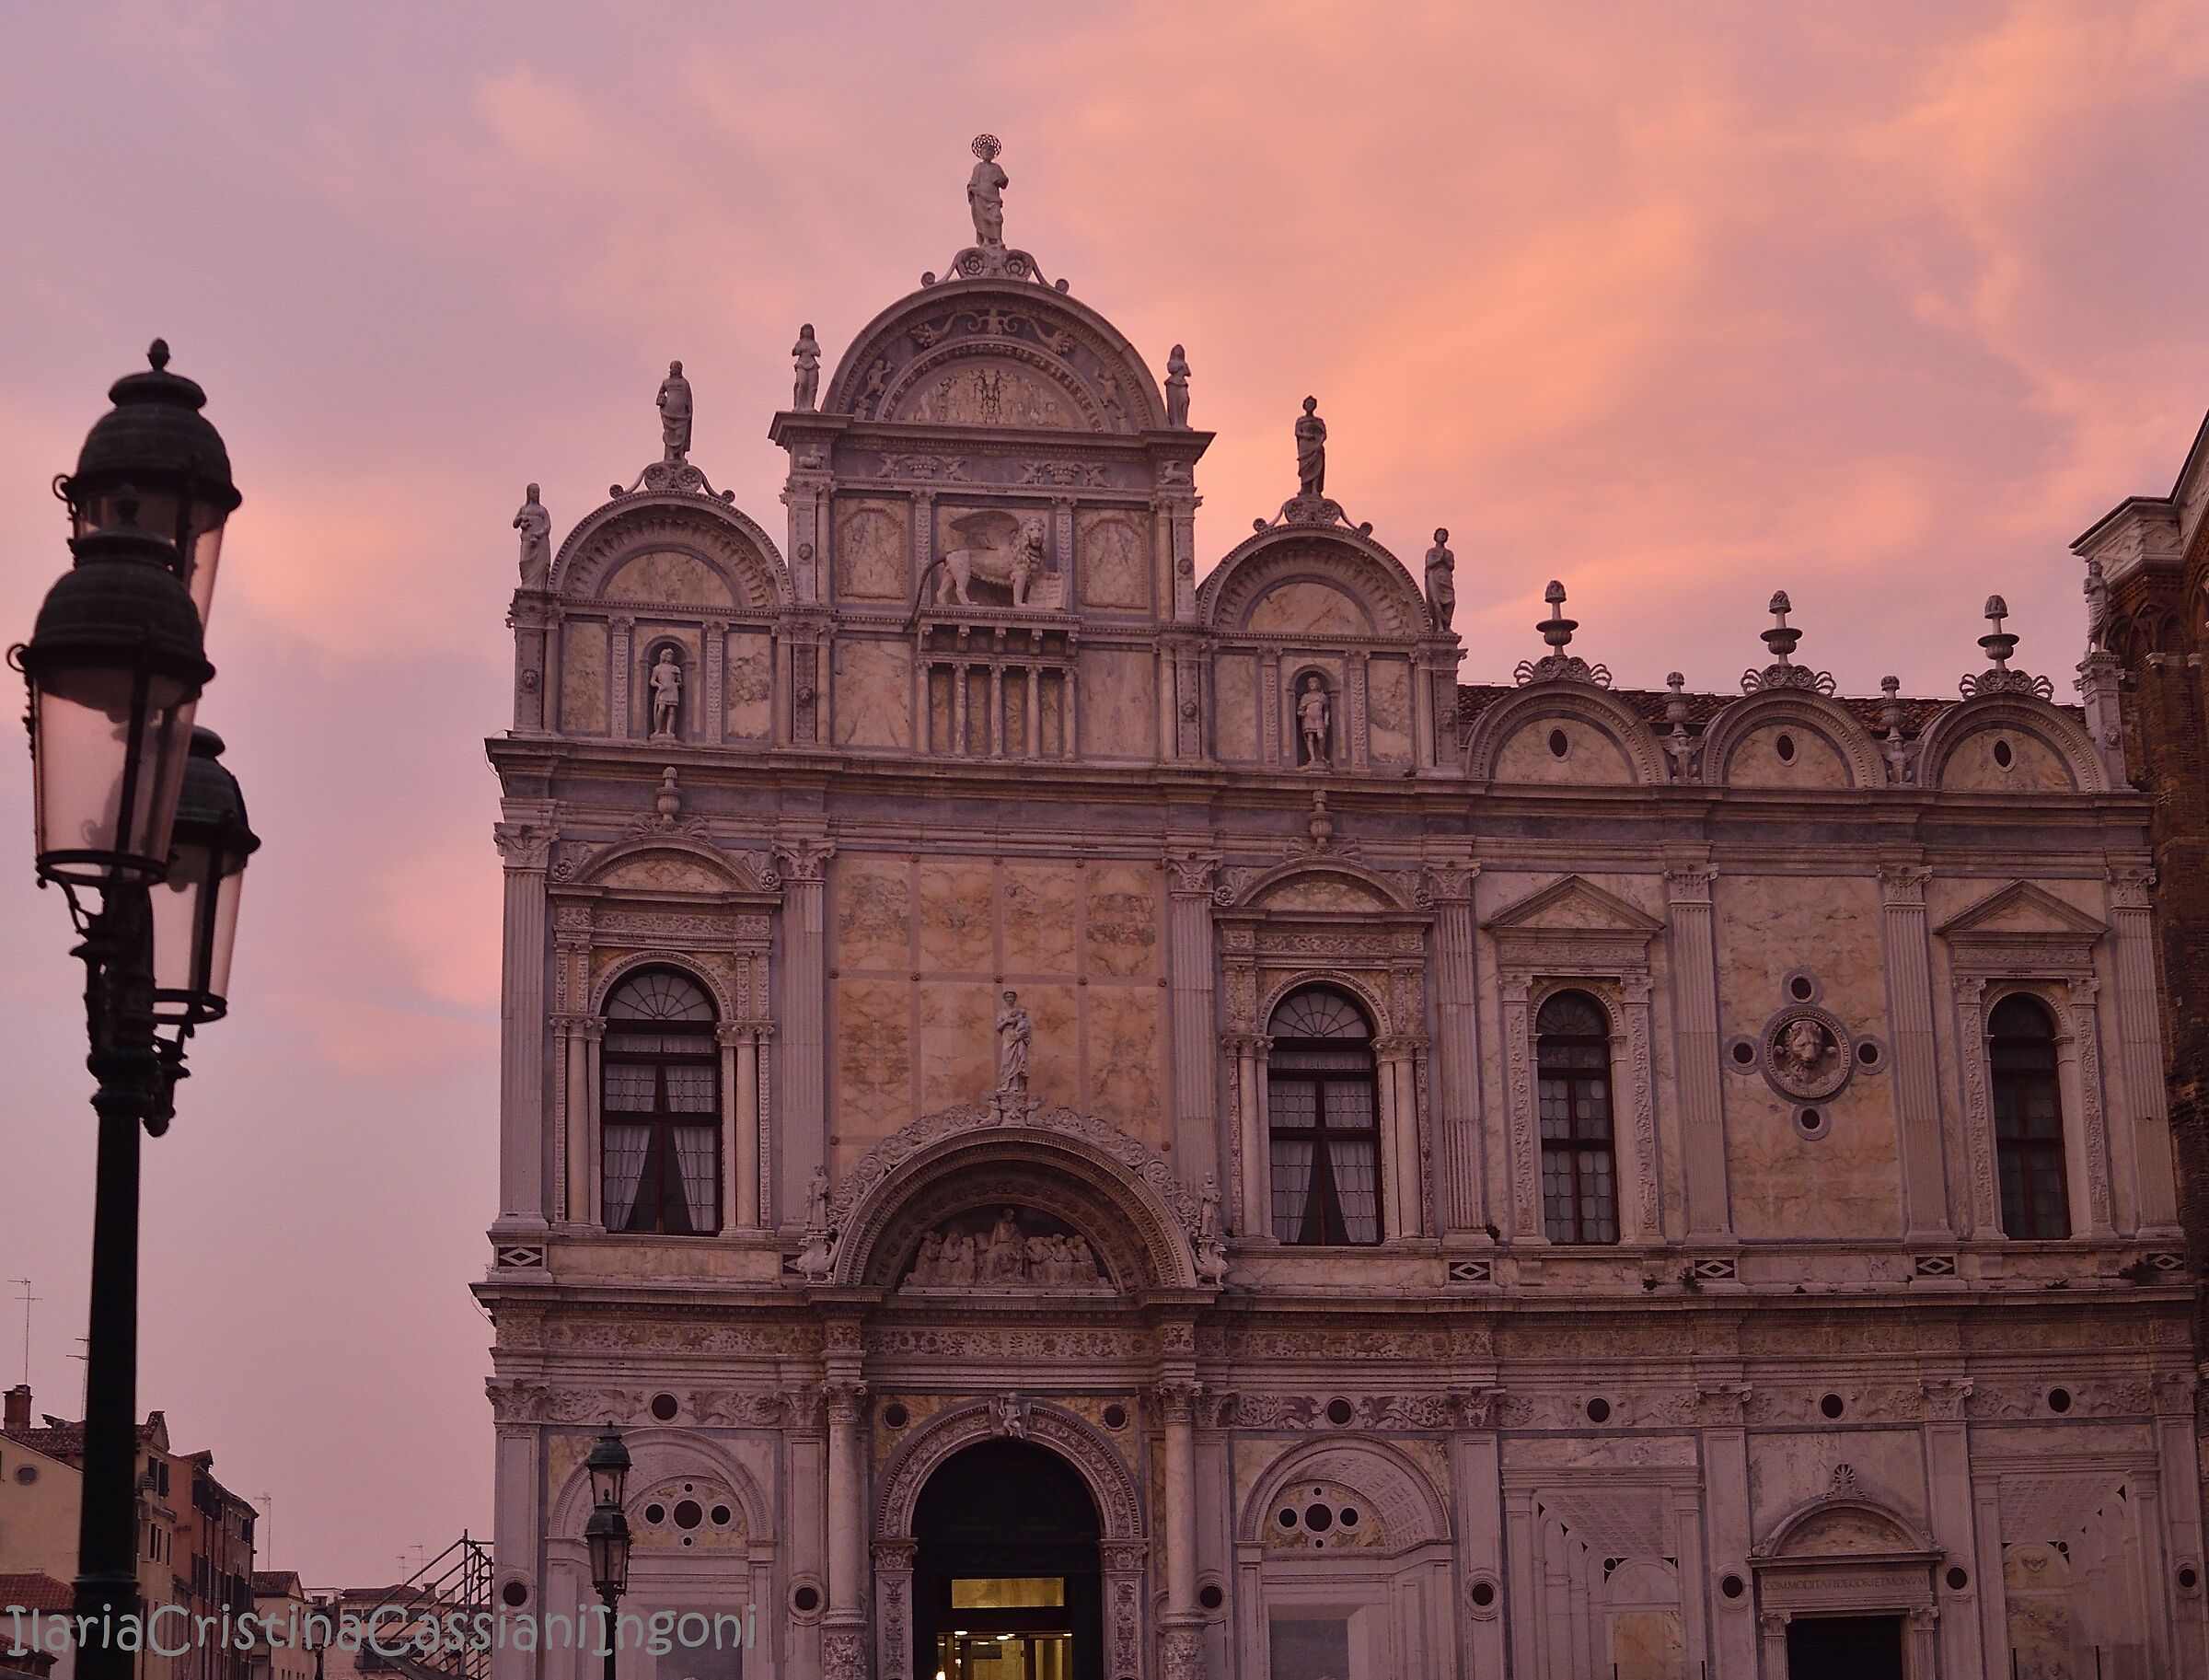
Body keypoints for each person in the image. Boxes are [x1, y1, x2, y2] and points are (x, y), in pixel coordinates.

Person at [967, 134, 1008, 245]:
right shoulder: (978, 167)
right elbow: (973, 182)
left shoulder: (996, 167)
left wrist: (1000, 180)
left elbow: (1004, 182)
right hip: (980, 196)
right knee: (983, 219)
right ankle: (986, 240)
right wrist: (972, 189)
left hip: (993, 197)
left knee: (997, 216)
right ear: (981, 153)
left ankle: (999, 240)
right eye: (985, 150)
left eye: (991, 150)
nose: (988, 152)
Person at [657, 360, 692, 460]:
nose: (673, 369)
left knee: (680, 433)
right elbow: (660, 394)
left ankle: (679, 455)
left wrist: (689, 410)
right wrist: (661, 400)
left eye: (676, 367)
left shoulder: (684, 383)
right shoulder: (666, 382)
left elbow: (688, 398)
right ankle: (670, 455)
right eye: (672, 367)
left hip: (681, 412)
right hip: (668, 410)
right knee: (669, 433)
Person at [1295, 395, 1326, 496]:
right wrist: (1306, 435)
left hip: (1316, 445)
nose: (1310, 405)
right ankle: (1304, 487)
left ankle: (1314, 489)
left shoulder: (1318, 421)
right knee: (1305, 466)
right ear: (1304, 405)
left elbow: (1324, 433)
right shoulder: (1300, 420)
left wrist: (1320, 442)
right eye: (1308, 403)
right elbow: (1297, 432)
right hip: (1305, 446)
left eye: (1312, 403)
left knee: (1316, 466)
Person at [792, 324, 821, 411]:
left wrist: (813, 351)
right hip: (802, 364)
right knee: (801, 383)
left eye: (809, 330)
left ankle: (809, 405)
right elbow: (794, 352)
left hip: (812, 364)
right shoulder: (800, 343)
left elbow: (818, 353)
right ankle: (799, 404)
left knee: (812, 385)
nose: (808, 331)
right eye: (806, 330)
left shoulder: (814, 343)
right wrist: (798, 350)